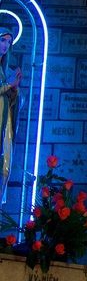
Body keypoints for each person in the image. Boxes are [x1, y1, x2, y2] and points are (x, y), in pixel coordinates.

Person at [0, 27, 21, 205]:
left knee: (5, 162)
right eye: (3, 40)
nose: (6, 45)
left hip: (4, 118)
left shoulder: (4, 69)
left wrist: (14, 90)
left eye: (9, 42)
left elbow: (11, 99)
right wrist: (9, 86)